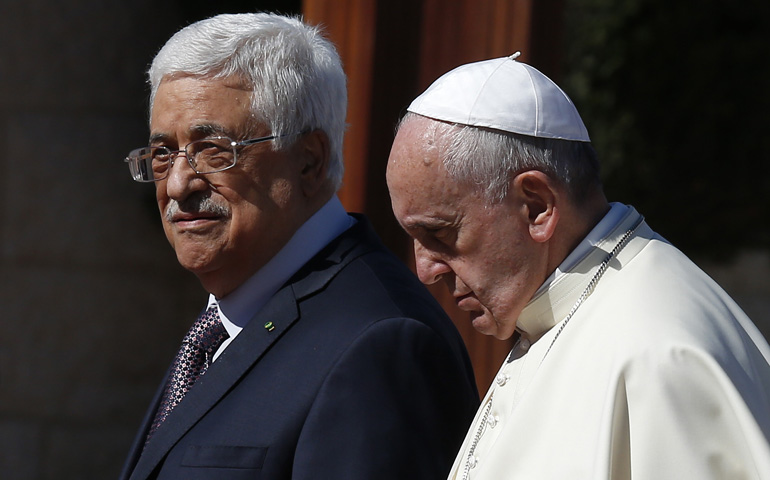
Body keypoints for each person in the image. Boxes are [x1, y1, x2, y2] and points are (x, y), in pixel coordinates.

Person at [119, 13, 479, 480]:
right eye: (164, 153)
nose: (179, 183)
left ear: (309, 161)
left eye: (213, 149)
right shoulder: (223, 324)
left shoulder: (380, 345)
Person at [386, 53, 770, 479]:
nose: (426, 271)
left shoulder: (657, 355)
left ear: (537, 206)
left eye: (440, 235)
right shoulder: (552, 312)